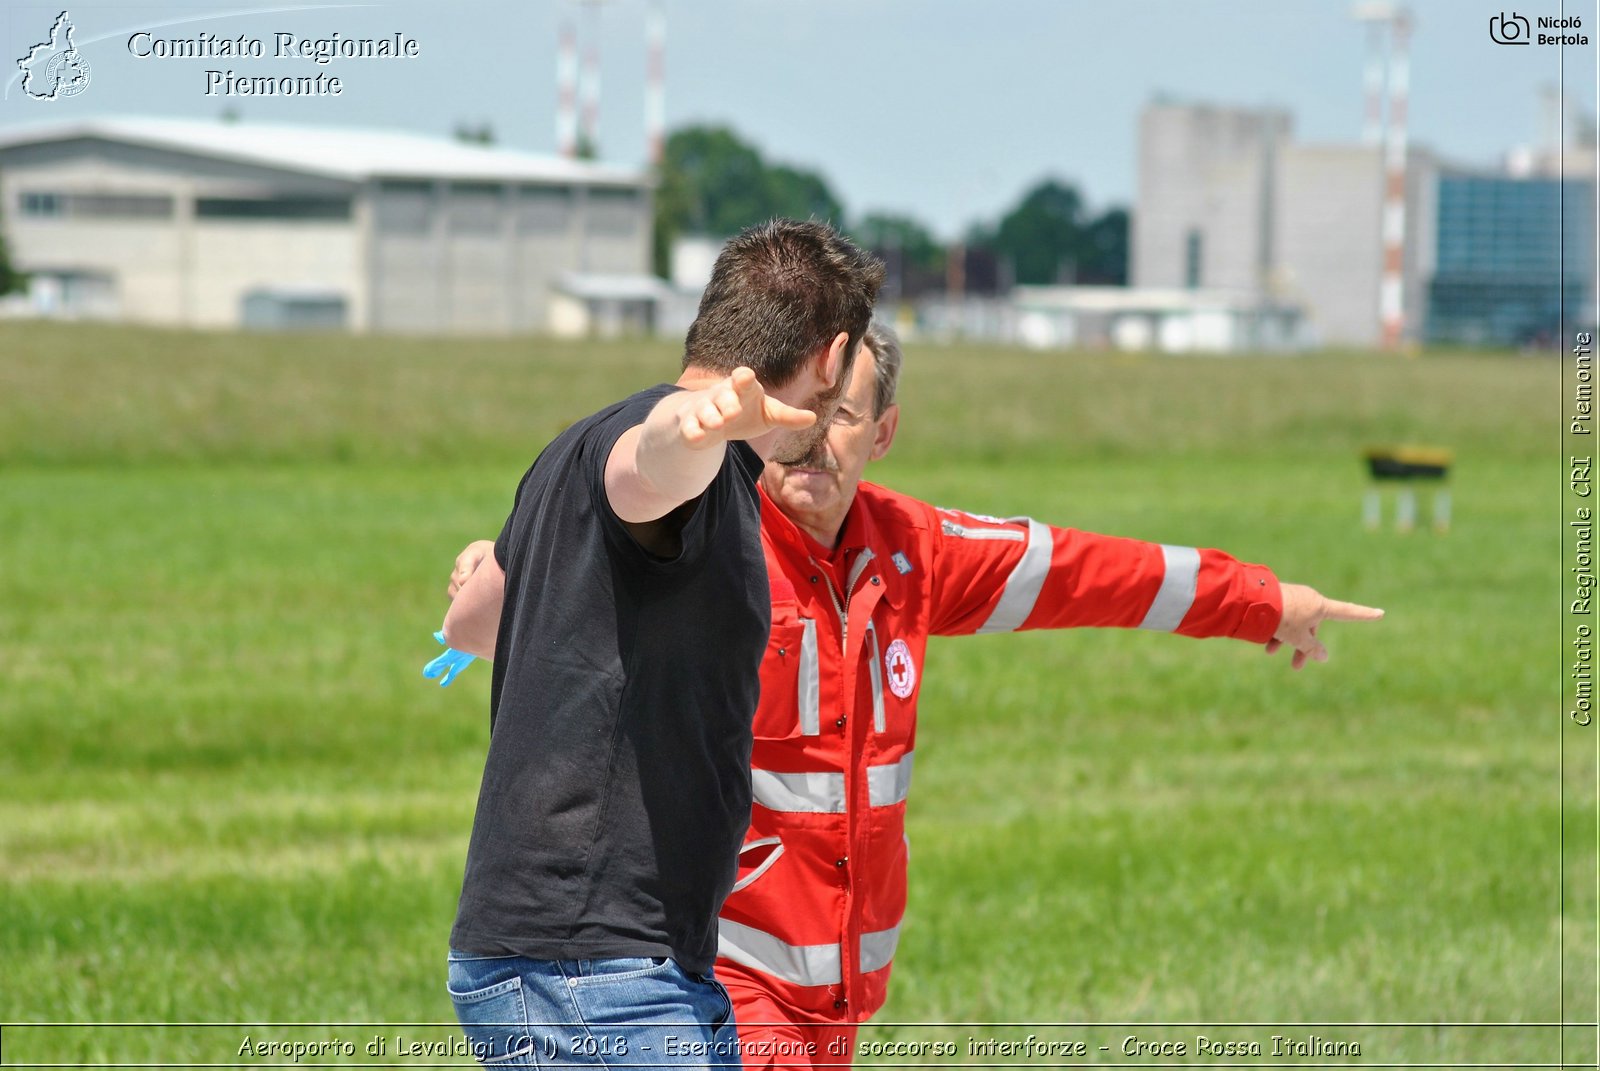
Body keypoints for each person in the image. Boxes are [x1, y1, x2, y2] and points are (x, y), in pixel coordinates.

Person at [442, 324, 1382, 1068]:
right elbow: (552, 599)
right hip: (725, 977)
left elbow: (1087, 572)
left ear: (882, 432)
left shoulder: (914, 551)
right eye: (796, 411)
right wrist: (485, 585)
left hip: (843, 999)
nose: (812, 437)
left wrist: (1264, 601)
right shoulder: (702, 537)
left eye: (842, 415)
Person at [438, 218, 884, 1068]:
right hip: (591, 970)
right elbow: (647, 472)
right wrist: (696, 432)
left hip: (603, 964)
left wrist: (488, 569)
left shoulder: (565, 450)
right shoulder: (675, 452)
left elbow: (475, 624)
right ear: (830, 359)